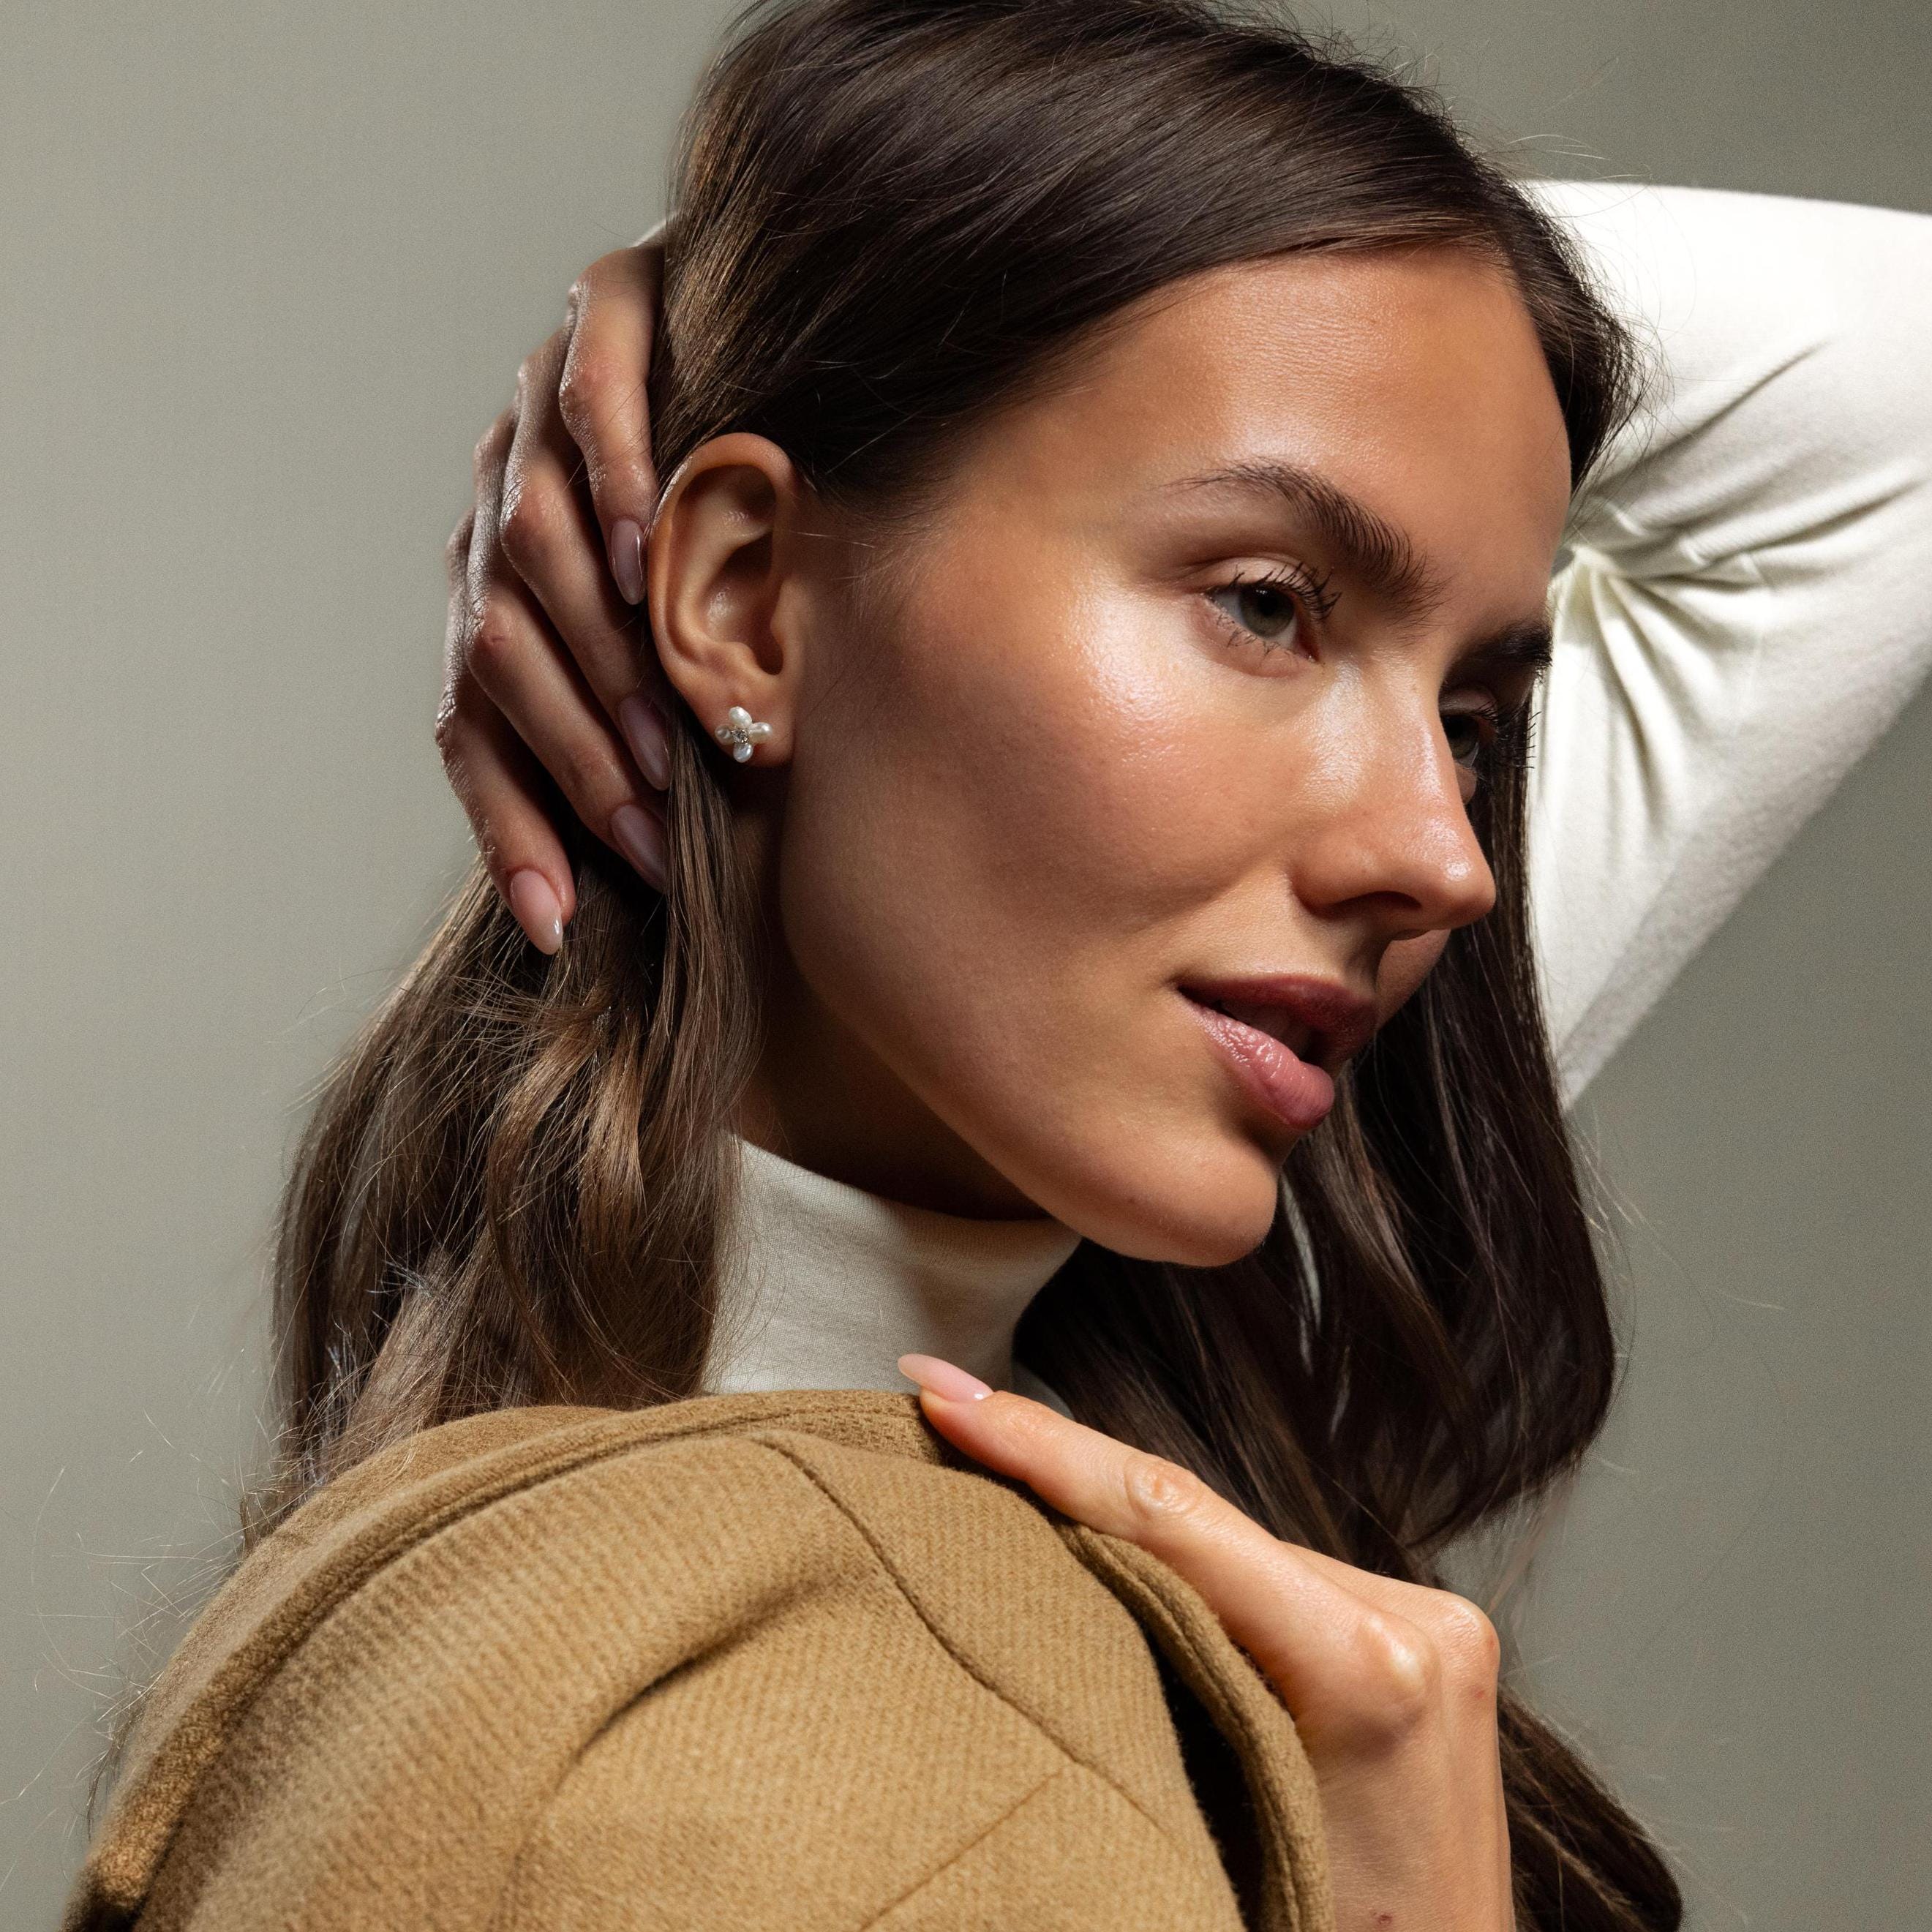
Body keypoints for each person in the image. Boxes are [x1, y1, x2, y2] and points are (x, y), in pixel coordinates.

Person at [67, 2, 1932, 1929]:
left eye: (1470, 712)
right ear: (739, 595)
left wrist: (802, 285)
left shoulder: (1012, 1346)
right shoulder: (729, 1781)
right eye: (1268, 609)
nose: (1438, 855)